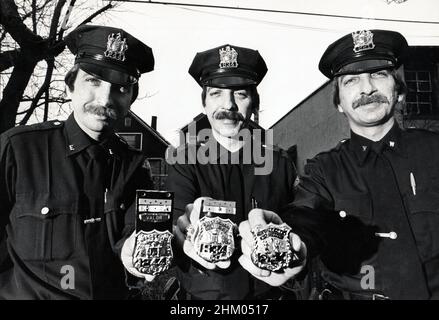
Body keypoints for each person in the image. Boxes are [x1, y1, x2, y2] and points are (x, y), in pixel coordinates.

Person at [239, 29, 439, 300]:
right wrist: (291, 243)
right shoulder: (323, 171)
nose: (367, 88)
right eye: (351, 81)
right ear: (339, 104)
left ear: (399, 91)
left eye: (379, 74)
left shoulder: (433, 150)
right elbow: (305, 216)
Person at [0, 24, 156, 299]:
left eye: (120, 87)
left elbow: (135, 235)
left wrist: (136, 251)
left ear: (131, 98)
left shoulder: (135, 167)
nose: (105, 98)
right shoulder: (19, 150)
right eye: (93, 81)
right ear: (70, 85)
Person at [166, 44, 300, 300]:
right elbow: (176, 222)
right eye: (216, 93)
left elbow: (299, 224)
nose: (228, 105)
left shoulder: (280, 162)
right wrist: (185, 226)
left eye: (240, 94)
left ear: (254, 104)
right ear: (204, 103)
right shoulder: (184, 161)